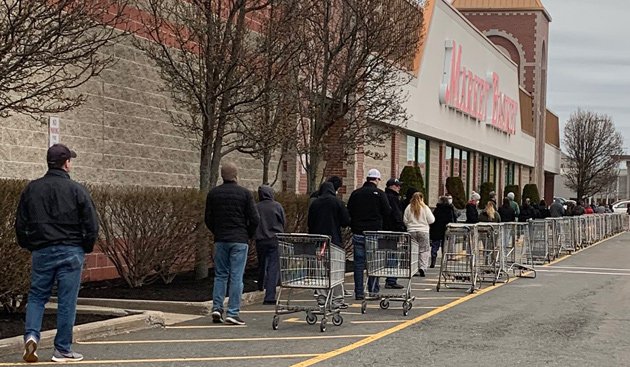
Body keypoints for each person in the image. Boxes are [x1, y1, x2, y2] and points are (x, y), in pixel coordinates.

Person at [16, 144, 99, 363]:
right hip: (71, 250)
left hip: (42, 250)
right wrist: (86, 246)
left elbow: (20, 222)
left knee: (36, 297)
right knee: (66, 301)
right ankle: (62, 349)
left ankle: (32, 335)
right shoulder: (77, 190)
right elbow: (91, 223)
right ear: (66, 163)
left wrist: (28, 243)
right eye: (70, 160)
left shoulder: (32, 189)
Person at [205, 162, 260, 326]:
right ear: (236, 175)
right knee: (236, 276)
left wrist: (217, 231)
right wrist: (248, 234)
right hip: (239, 239)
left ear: (222, 176)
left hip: (221, 239)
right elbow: (255, 218)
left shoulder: (213, 194)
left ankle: (217, 308)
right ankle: (233, 313)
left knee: (220, 275)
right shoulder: (244, 194)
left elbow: (208, 218)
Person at [347, 169, 391, 300]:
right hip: (374, 232)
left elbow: (349, 210)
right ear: (377, 180)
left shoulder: (356, 193)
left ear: (367, 179)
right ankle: (373, 290)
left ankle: (359, 292)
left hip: (358, 232)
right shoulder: (380, 194)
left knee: (358, 264)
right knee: (374, 262)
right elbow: (387, 211)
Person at [308, 181, 351, 304]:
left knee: (319, 270)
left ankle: (322, 295)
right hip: (334, 241)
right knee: (335, 270)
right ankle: (337, 298)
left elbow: (310, 223)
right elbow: (345, 221)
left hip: (319, 241)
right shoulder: (337, 202)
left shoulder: (315, 203)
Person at [254, 185, 285, 305]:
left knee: (262, 264)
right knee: (273, 267)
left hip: (260, 239)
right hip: (274, 239)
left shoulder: (256, 207)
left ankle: (261, 284)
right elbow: (283, 221)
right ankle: (270, 296)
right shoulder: (277, 206)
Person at [382, 178, 406, 289]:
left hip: (383, 229)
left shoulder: (383, 196)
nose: (399, 188)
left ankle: (386, 279)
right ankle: (391, 280)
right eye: (397, 186)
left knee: (385, 254)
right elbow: (396, 214)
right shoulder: (393, 198)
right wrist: (401, 228)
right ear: (391, 186)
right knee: (392, 254)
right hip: (392, 231)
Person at [404, 192, 435, 277]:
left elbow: (405, 220)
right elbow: (431, 220)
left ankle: (412, 268)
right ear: (422, 198)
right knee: (424, 250)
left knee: (412, 250)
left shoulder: (408, 207)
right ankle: (422, 267)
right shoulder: (425, 208)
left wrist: (410, 226)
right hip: (423, 231)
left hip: (411, 231)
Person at [430, 196, 457, 268]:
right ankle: (443, 261)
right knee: (444, 246)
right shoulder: (450, 209)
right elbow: (453, 219)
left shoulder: (437, 209)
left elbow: (433, 220)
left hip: (436, 230)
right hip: (446, 229)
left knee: (435, 246)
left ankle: (433, 260)